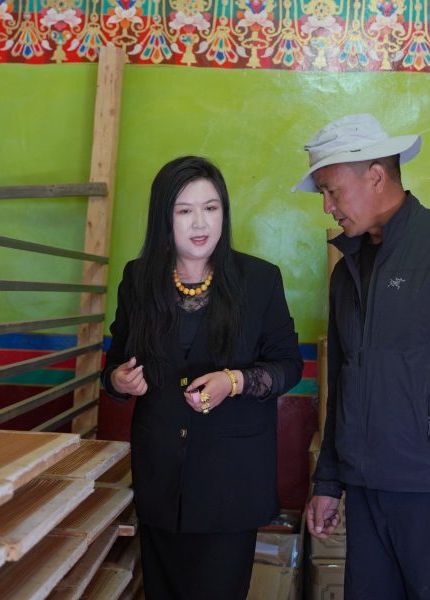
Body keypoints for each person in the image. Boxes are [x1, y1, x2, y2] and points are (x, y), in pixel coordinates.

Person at [295, 114, 430, 599]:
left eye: (333, 191)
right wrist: (329, 480)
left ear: (376, 176)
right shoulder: (346, 271)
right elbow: (344, 384)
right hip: (365, 491)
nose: (328, 206)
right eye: (324, 194)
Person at [102, 156, 303, 600]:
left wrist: (233, 381)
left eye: (211, 208)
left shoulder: (259, 279)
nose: (200, 223)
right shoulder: (139, 278)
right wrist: (119, 379)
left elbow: (289, 365)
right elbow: (114, 363)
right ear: (164, 217)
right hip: (160, 475)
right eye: (184, 210)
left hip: (230, 481)